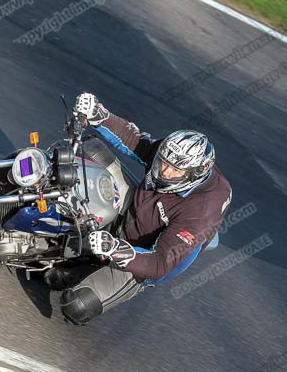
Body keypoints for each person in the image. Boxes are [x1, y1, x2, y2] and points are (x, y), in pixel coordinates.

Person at [46, 93, 233, 325]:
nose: (164, 171)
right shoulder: (171, 155)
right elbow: (133, 140)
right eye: (162, 162)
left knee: (76, 304)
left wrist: (115, 250)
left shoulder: (201, 211)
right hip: (137, 209)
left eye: (174, 170)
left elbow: (160, 263)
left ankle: (90, 267)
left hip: (145, 253)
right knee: (90, 148)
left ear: (194, 175)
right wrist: (99, 114)